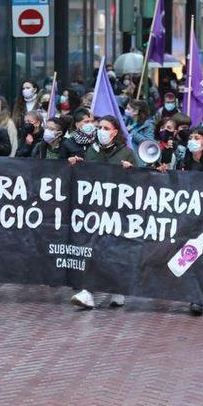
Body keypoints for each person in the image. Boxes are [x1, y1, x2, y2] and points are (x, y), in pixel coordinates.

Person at [70, 116, 137, 309]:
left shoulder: (126, 153)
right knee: (94, 248)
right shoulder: (91, 150)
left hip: (118, 211)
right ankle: (88, 291)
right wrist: (78, 166)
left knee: (115, 251)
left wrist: (130, 171)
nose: (101, 130)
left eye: (106, 128)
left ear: (115, 132)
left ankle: (118, 289)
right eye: (100, 127)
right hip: (95, 210)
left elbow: (139, 182)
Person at [176, 127, 203, 316]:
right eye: (191, 137)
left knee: (198, 257)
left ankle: (197, 298)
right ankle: (189, 293)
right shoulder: (183, 161)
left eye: (197, 137)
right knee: (185, 254)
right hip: (185, 215)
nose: (192, 140)